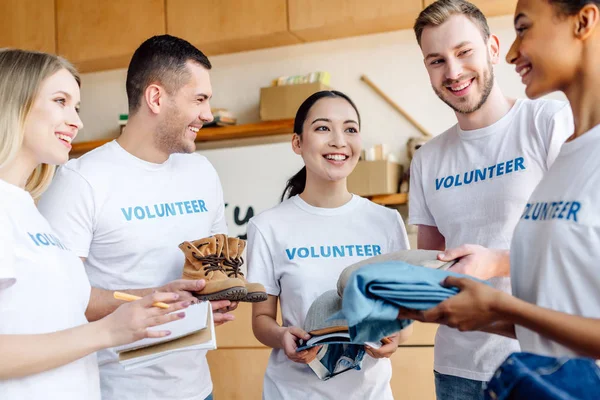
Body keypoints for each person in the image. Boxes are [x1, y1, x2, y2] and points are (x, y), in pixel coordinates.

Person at [37, 35, 235, 400]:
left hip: (198, 390)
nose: (208, 114)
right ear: (156, 98)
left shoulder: (203, 172)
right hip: (118, 391)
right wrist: (155, 298)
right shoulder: (80, 180)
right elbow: (60, 299)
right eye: (200, 99)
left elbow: (214, 266)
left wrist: (220, 292)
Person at [407, 0, 600, 361]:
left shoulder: (552, 124)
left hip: (554, 368)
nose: (452, 71)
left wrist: (497, 272)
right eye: (436, 60)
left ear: (490, 49)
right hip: (464, 362)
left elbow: (569, 268)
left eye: (523, 28)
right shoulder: (428, 158)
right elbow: (434, 260)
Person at [0, 48, 190, 400]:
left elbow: (64, 303)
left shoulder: (26, 207)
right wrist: (106, 333)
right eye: (60, 101)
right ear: (12, 101)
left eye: (76, 107)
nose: (76, 121)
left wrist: (153, 297)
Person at [247, 90, 413, 399]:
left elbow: (404, 317)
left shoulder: (387, 222)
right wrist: (283, 335)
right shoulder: (267, 226)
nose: (339, 140)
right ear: (297, 142)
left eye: (350, 129)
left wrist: (395, 336)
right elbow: (261, 320)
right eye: (323, 127)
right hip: (293, 392)